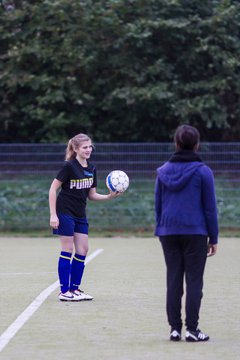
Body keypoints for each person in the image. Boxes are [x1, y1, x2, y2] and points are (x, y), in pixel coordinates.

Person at [154, 124, 218, 342]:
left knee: (173, 280)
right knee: (194, 281)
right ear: (197, 144)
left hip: (168, 231)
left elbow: (158, 205)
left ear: (177, 143)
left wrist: (161, 227)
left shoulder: (162, 171)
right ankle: (192, 329)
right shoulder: (203, 172)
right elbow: (210, 208)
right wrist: (214, 237)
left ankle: (174, 329)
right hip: (196, 232)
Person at [49, 133, 119, 302]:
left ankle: (75, 289)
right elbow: (52, 189)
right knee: (67, 250)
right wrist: (53, 214)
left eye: (89, 147)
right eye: (84, 147)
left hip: (80, 214)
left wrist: (109, 196)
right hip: (64, 212)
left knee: (83, 250)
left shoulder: (92, 168)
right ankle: (64, 291)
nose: (88, 150)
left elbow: (92, 195)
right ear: (75, 149)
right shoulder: (69, 167)